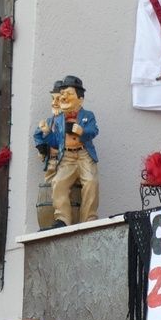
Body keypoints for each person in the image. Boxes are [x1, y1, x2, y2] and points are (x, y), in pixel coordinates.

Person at [38, 75, 99, 228]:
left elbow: (94, 131)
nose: (64, 97)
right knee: (58, 182)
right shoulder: (58, 119)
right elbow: (55, 142)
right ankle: (62, 219)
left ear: (80, 99)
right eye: (63, 94)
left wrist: (82, 131)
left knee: (91, 181)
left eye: (69, 94)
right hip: (67, 157)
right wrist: (47, 133)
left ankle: (89, 219)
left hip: (84, 155)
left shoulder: (88, 115)